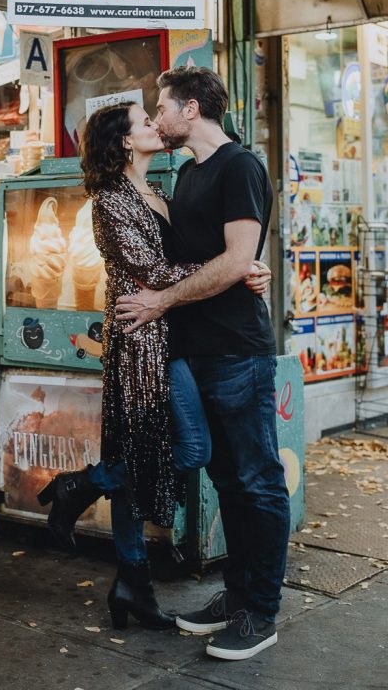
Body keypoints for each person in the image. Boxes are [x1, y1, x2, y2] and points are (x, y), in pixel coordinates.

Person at [38, 101, 269, 631]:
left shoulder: (160, 192)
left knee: (137, 454)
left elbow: (185, 263)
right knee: (190, 448)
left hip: (170, 335)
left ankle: (131, 582)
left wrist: (242, 266)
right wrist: (235, 268)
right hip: (141, 340)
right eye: (145, 121)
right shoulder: (109, 201)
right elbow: (155, 271)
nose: (153, 125)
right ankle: (85, 489)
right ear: (124, 141)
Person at [116, 66, 291, 662]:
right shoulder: (187, 173)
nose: (156, 117)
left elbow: (239, 257)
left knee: (257, 481)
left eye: (160, 107)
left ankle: (260, 612)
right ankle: (235, 596)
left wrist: (167, 299)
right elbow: (212, 262)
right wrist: (238, 272)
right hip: (195, 352)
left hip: (238, 352)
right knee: (227, 482)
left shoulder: (239, 166)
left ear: (190, 109)